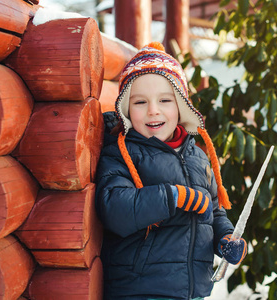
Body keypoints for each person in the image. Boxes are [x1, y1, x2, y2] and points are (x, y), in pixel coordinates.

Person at [95, 42, 247, 300]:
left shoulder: (197, 156)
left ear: (181, 106)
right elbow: (115, 208)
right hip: (141, 290)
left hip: (193, 290)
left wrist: (226, 237)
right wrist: (173, 196)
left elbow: (214, 209)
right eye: (140, 101)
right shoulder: (122, 153)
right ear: (127, 110)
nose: (153, 110)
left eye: (165, 100)